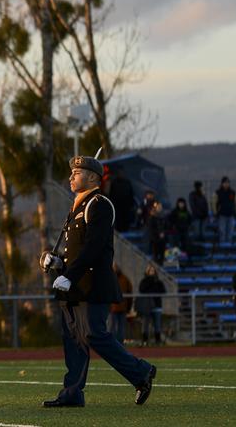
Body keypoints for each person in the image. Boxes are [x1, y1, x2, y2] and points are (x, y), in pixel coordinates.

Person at [40, 153, 156, 408]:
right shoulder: (77, 206)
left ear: (93, 177)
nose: (71, 176)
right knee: (73, 339)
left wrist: (69, 275)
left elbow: (93, 247)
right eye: (71, 172)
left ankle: (141, 372)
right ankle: (72, 393)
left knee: (94, 334)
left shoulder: (99, 204)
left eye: (77, 173)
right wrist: (56, 261)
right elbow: (75, 250)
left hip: (91, 284)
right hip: (75, 286)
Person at [137, 264, 166, 346]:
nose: (152, 272)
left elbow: (163, 291)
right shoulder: (144, 281)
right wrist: (149, 281)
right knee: (145, 324)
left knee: (157, 324)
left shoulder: (158, 281)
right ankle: (145, 341)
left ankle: (158, 341)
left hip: (157, 306)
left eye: (153, 271)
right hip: (147, 306)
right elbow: (141, 290)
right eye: (150, 271)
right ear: (147, 272)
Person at [109, 264, 133, 345]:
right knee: (116, 326)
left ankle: (116, 342)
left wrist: (128, 307)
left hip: (118, 307)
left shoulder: (123, 279)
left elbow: (130, 293)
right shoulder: (122, 279)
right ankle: (117, 342)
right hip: (115, 307)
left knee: (117, 326)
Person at [107, 168, 136, 233]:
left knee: (125, 218)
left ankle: (125, 230)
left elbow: (131, 193)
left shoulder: (127, 182)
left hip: (126, 205)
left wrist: (131, 203)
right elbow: (111, 194)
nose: (121, 174)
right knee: (119, 219)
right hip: (117, 205)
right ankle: (120, 231)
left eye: (122, 173)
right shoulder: (114, 182)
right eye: (120, 173)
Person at [213, 177, 236, 246]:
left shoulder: (233, 192)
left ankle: (229, 246)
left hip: (231, 215)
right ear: (222, 183)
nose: (226, 184)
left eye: (227, 183)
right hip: (222, 215)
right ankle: (222, 245)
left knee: (230, 231)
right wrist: (215, 212)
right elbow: (213, 203)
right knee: (222, 231)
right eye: (225, 183)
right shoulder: (217, 192)